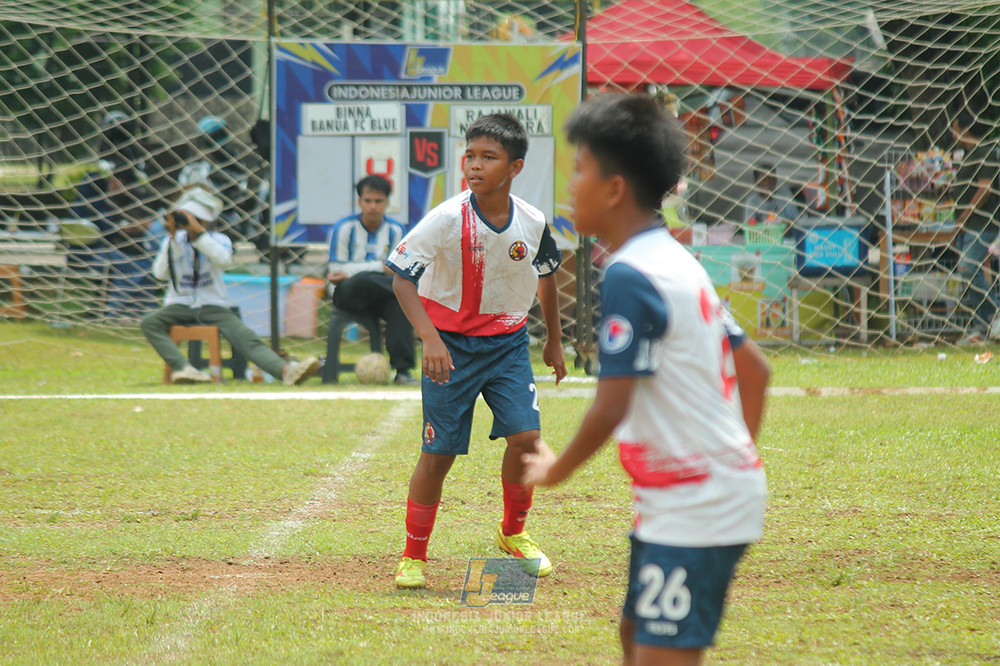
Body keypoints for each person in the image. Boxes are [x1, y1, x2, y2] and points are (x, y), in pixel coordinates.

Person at [522, 93, 771, 666]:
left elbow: (611, 407)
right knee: (635, 638)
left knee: (660, 656)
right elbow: (755, 370)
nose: (570, 187)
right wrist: (734, 461)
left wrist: (555, 471)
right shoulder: (673, 258)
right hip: (687, 496)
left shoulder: (631, 274)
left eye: (580, 169)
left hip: (693, 501)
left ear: (614, 189)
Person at [386, 113, 567, 589]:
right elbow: (401, 278)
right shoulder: (446, 218)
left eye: (490, 157)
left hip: (507, 344)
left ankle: (513, 534)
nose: (475, 165)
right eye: (470, 156)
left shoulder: (532, 220)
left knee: (527, 441)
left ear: (516, 167)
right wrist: (430, 338)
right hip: (450, 349)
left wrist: (553, 339)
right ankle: (414, 556)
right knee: (438, 454)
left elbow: (547, 274)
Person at [140, 187, 321, 385]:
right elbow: (160, 274)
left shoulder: (219, 240)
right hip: (179, 303)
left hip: (212, 304)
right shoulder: (171, 242)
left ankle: (287, 371)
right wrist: (174, 241)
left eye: (196, 219)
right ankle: (183, 368)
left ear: (207, 221)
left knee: (245, 336)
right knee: (149, 322)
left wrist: (200, 236)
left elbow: (224, 261)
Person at [70, 111, 161, 320]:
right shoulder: (94, 179)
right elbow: (87, 218)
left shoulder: (134, 173)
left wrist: (135, 222)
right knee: (135, 260)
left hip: (129, 241)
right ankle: (119, 310)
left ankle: (131, 309)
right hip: (96, 244)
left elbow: (143, 212)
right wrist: (119, 226)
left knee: (151, 247)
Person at [325, 175, 416, 385]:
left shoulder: (396, 230)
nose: (373, 206)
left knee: (399, 301)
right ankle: (417, 292)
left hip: (382, 295)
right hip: (348, 293)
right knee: (365, 280)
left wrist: (364, 270)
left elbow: (397, 270)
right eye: (368, 201)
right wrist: (378, 267)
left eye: (378, 201)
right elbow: (337, 271)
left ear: (387, 203)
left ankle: (402, 371)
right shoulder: (344, 228)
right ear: (359, 202)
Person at [950, 109, 1000, 345]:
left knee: (969, 268)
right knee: (967, 273)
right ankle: (982, 326)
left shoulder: (987, 152)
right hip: (968, 226)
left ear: (963, 128)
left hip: (983, 223)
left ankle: (996, 314)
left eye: (954, 128)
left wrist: (962, 218)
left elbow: (985, 189)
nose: (952, 134)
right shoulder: (967, 155)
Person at [743, 163, 800, 228]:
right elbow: (751, 226)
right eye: (764, 180)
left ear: (776, 180)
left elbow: (795, 220)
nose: (768, 183)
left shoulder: (785, 195)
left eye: (771, 179)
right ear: (756, 183)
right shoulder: (752, 202)